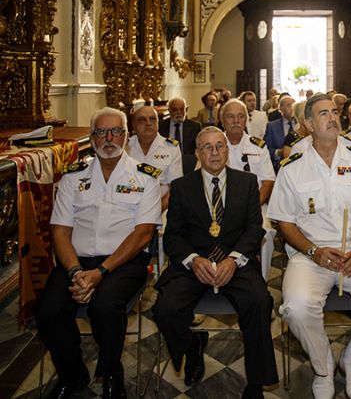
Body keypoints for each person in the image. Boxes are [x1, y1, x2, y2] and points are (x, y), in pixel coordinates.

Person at [268, 94, 351, 399]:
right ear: (307, 124)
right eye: (322, 114)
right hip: (310, 256)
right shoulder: (293, 167)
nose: (332, 118)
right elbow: (284, 221)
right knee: (296, 307)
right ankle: (323, 366)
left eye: (334, 112)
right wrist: (314, 252)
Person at [37, 107, 161, 399]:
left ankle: (111, 373)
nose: (109, 138)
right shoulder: (72, 177)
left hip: (123, 262)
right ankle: (72, 374)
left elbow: (143, 234)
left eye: (116, 131)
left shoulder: (146, 177)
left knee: (104, 306)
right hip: (76, 263)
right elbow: (60, 232)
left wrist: (101, 272)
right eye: (101, 132)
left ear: (125, 136)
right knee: (47, 311)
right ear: (91, 138)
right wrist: (77, 272)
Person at [152, 127, 278, 398]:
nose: (214, 152)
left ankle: (255, 383)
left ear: (227, 151)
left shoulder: (247, 182)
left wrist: (233, 260)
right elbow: (172, 235)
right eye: (207, 147)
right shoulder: (182, 187)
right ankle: (192, 347)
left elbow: (255, 229)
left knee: (260, 301)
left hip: (235, 261)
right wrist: (193, 260)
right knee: (165, 309)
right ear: (198, 153)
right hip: (194, 264)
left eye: (219, 146)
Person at [220, 98, 277, 278]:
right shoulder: (213, 144)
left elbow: (268, 181)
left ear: (246, 120)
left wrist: (250, 208)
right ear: (222, 120)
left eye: (240, 117)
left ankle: (263, 279)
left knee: (266, 231)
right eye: (231, 117)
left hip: (255, 206)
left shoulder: (258, 147)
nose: (236, 121)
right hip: (218, 207)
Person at [127, 103, 183, 211]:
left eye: (152, 119)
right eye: (142, 120)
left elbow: (175, 188)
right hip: (129, 207)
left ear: (158, 123)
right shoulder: (126, 147)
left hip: (162, 207)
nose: (148, 123)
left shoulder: (171, 148)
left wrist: (154, 213)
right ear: (133, 124)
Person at [159, 97, 202, 173]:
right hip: (167, 164)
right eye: (175, 110)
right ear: (169, 111)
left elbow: (199, 148)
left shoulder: (195, 127)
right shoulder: (161, 126)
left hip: (188, 165)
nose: (179, 113)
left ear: (186, 110)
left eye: (182, 109)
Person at [264, 95, 296, 168]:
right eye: (289, 105)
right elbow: (266, 149)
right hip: (279, 166)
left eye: (294, 105)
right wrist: (278, 152)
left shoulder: (301, 126)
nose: (292, 108)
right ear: (281, 108)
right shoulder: (272, 126)